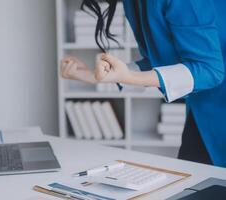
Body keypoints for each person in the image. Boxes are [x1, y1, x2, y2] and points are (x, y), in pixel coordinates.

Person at [61, 0, 226, 167]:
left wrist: (129, 77)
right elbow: (162, 61)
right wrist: (94, 76)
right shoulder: (133, 4)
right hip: (203, 112)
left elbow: (209, 70)